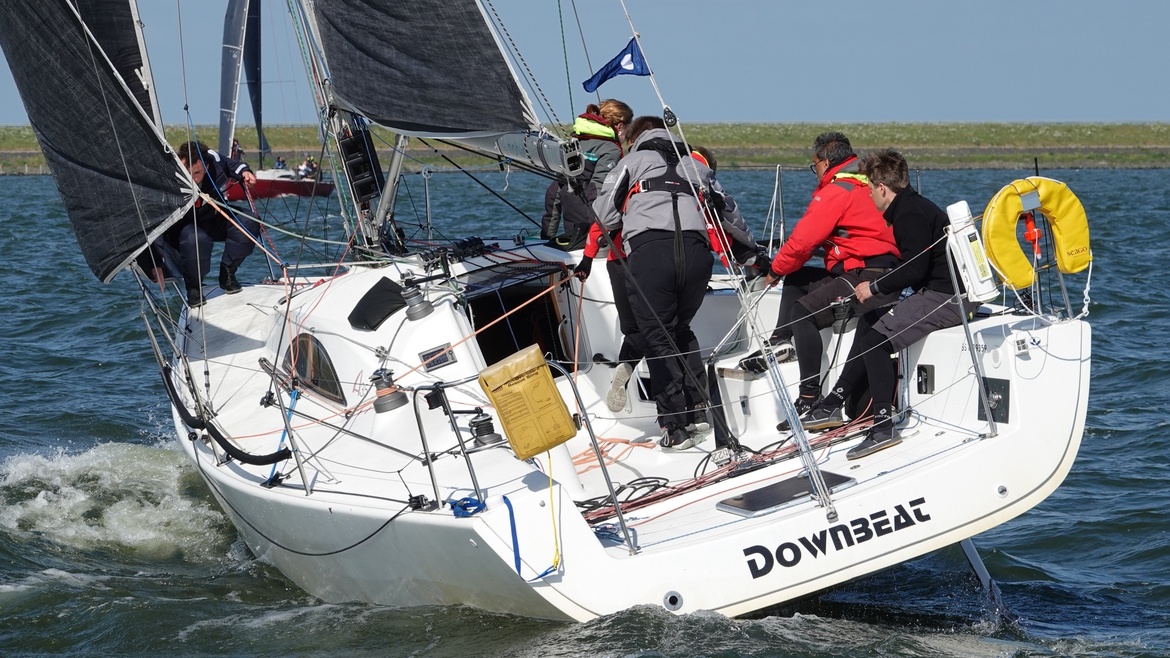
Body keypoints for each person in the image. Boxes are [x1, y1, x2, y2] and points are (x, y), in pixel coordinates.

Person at [799, 149, 981, 458]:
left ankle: (883, 426)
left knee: (875, 343)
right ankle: (833, 403)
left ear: (882, 188)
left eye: (870, 188)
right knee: (871, 320)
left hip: (948, 298)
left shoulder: (909, 214)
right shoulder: (912, 206)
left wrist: (874, 286)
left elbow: (914, 270)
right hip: (940, 292)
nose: (869, 194)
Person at [742, 132, 900, 425]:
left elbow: (802, 242)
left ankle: (809, 397)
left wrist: (774, 270)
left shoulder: (837, 191)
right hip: (881, 271)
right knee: (798, 276)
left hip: (866, 275)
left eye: (813, 165)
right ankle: (780, 339)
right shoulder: (868, 184)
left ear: (825, 163)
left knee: (802, 312)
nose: (814, 171)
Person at [593, 116, 728, 450]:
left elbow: (603, 215)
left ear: (636, 138)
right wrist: (753, 255)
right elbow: (728, 214)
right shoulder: (697, 167)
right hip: (697, 256)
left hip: (650, 256)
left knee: (657, 338)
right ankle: (698, 411)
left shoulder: (631, 162)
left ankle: (674, 426)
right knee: (681, 330)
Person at [174, 140, 259, 307]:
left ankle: (227, 273)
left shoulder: (214, 161)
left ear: (206, 166)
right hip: (186, 226)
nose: (192, 178)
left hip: (212, 217)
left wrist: (245, 171)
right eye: (187, 172)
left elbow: (231, 164)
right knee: (196, 240)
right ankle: (194, 287)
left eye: (197, 172)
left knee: (248, 221)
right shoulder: (171, 170)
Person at [542, 100, 633, 250]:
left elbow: (554, 192)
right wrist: (597, 234)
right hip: (593, 233)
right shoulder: (611, 150)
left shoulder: (574, 143)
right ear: (620, 127)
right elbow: (598, 191)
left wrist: (546, 236)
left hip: (573, 231)